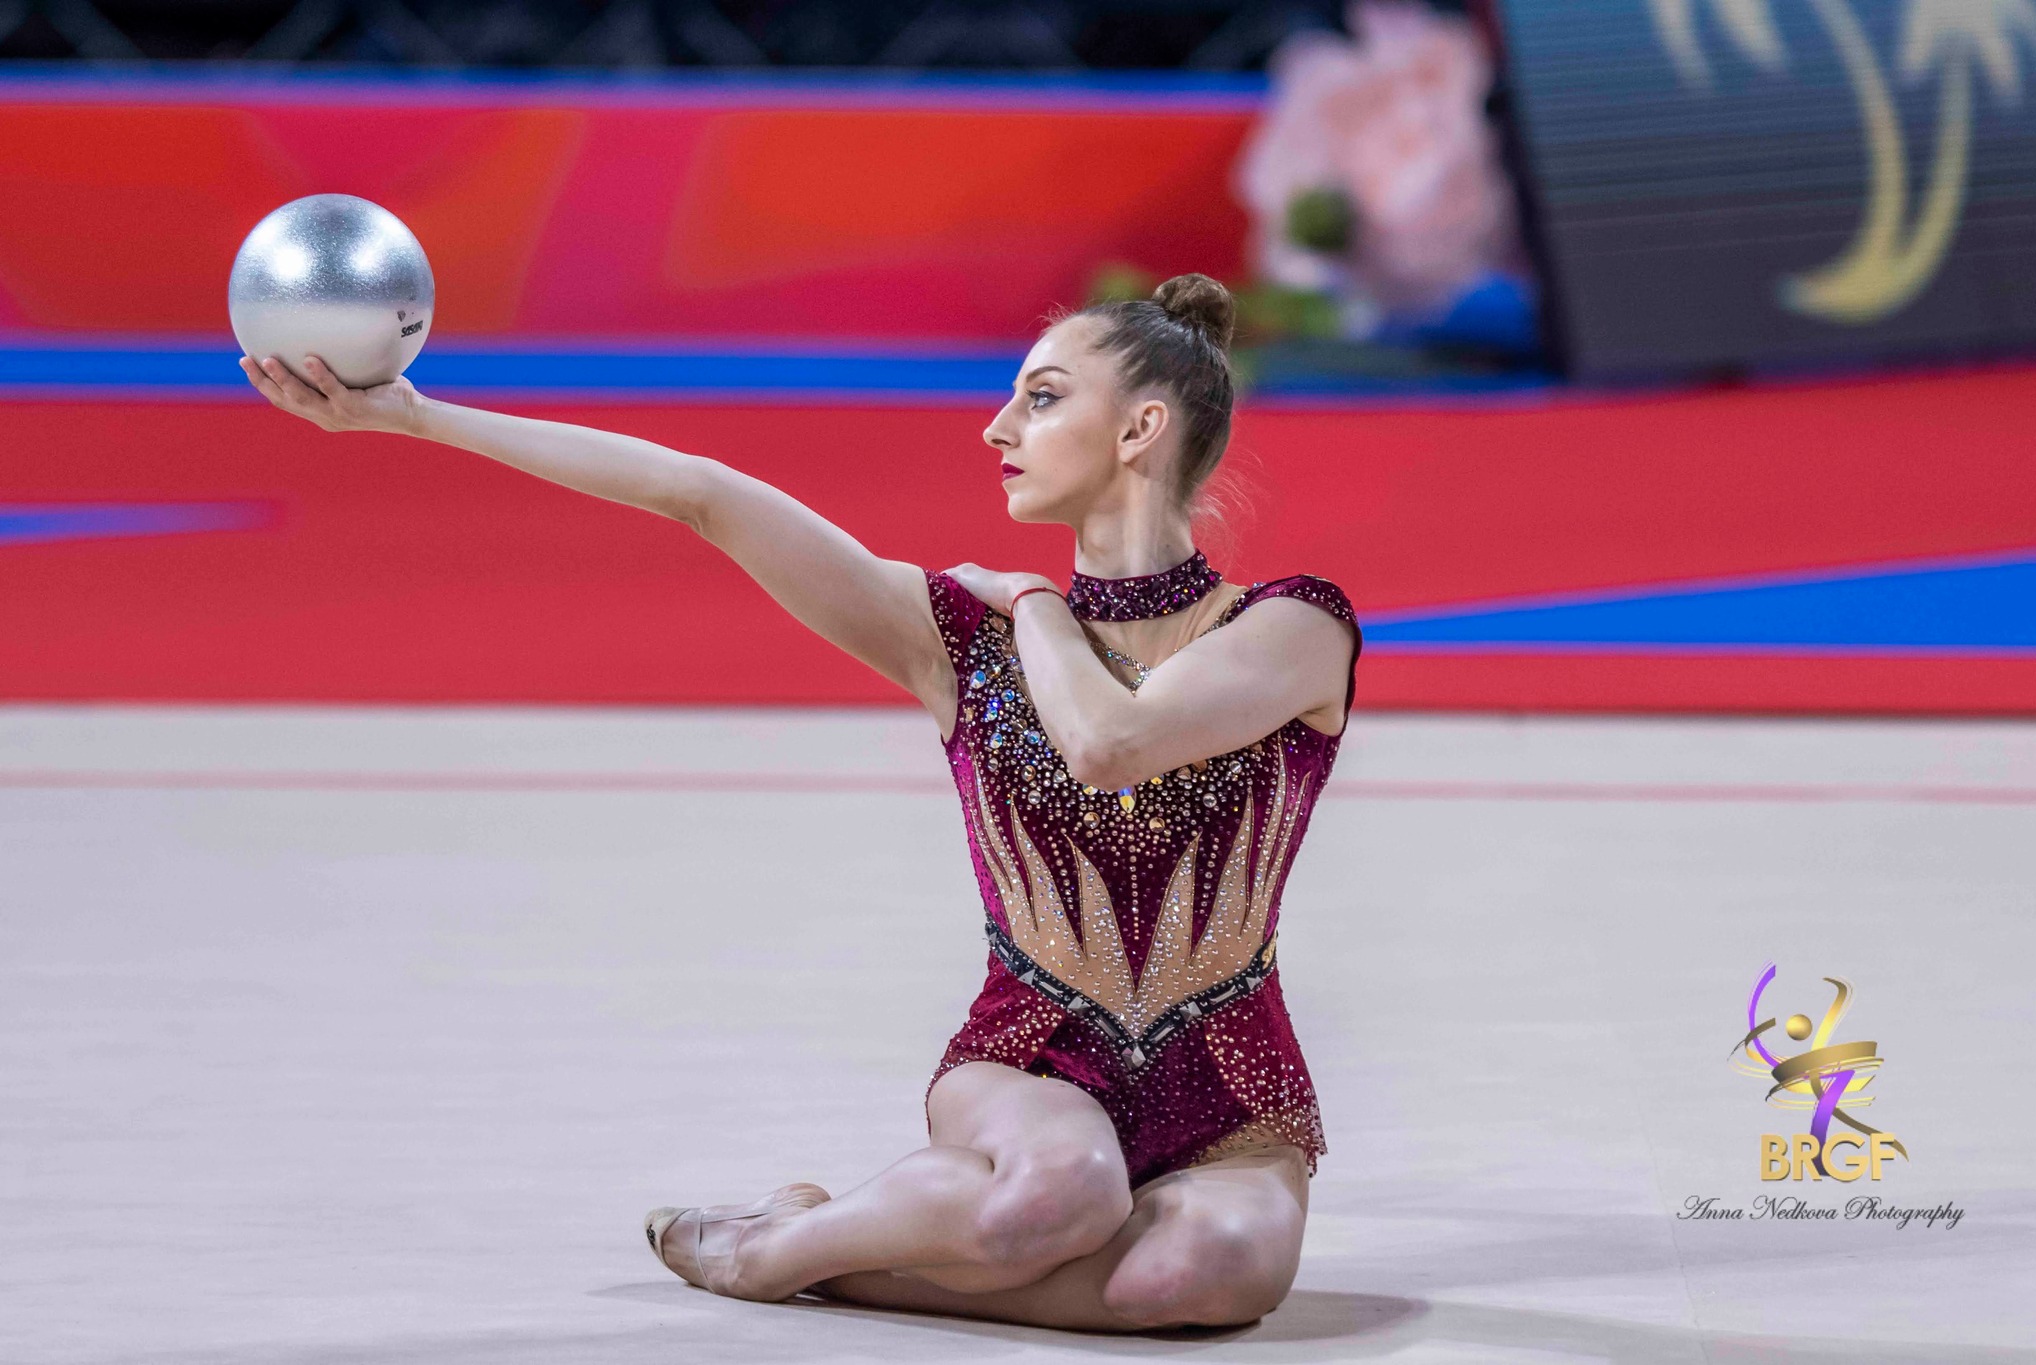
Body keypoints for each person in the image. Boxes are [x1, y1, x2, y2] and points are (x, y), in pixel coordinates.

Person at [239, 272, 1361, 1332]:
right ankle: (775, 1252)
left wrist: (1033, 604)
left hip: (1229, 1084)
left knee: (1201, 1277)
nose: (996, 428)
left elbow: (1111, 741)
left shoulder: (1289, 628)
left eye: (1042, 397)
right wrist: (417, 417)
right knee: (1055, 1195)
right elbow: (699, 494)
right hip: (1035, 1060)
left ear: (1139, 429)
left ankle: (821, 1250)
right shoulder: (953, 638)